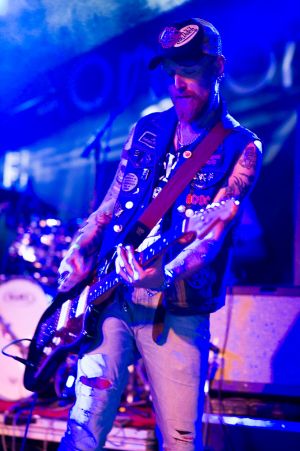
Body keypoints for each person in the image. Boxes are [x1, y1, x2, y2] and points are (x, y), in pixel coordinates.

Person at [57, 17, 262, 451]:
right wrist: (80, 247)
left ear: (218, 67)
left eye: (189, 69)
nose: (178, 82)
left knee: (181, 442)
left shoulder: (241, 147)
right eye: (171, 70)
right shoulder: (146, 129)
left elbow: (210, 240)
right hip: (110, 295)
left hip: (177, 310)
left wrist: (161, 276)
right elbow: (110, 204)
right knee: (82, 428)